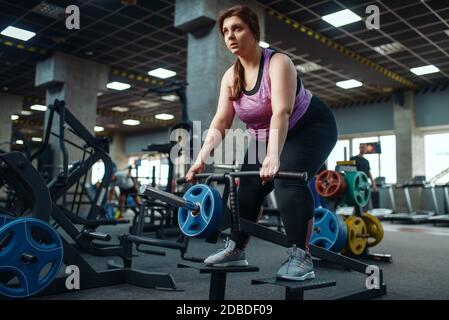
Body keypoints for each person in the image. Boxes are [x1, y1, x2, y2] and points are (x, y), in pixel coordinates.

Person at [185, 5, 338, 281]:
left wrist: (273, 157)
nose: (230, 36)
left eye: (237, 28)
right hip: (266, 135)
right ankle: (236, 249)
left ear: (254, 31)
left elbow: (282, 111)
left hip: (310, 127)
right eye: (225, 31)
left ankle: (301, 257)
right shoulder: (231, 77)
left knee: (286, 180)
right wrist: (200, 159)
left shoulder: (278, 63)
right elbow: (221, 121)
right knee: (245, 187)